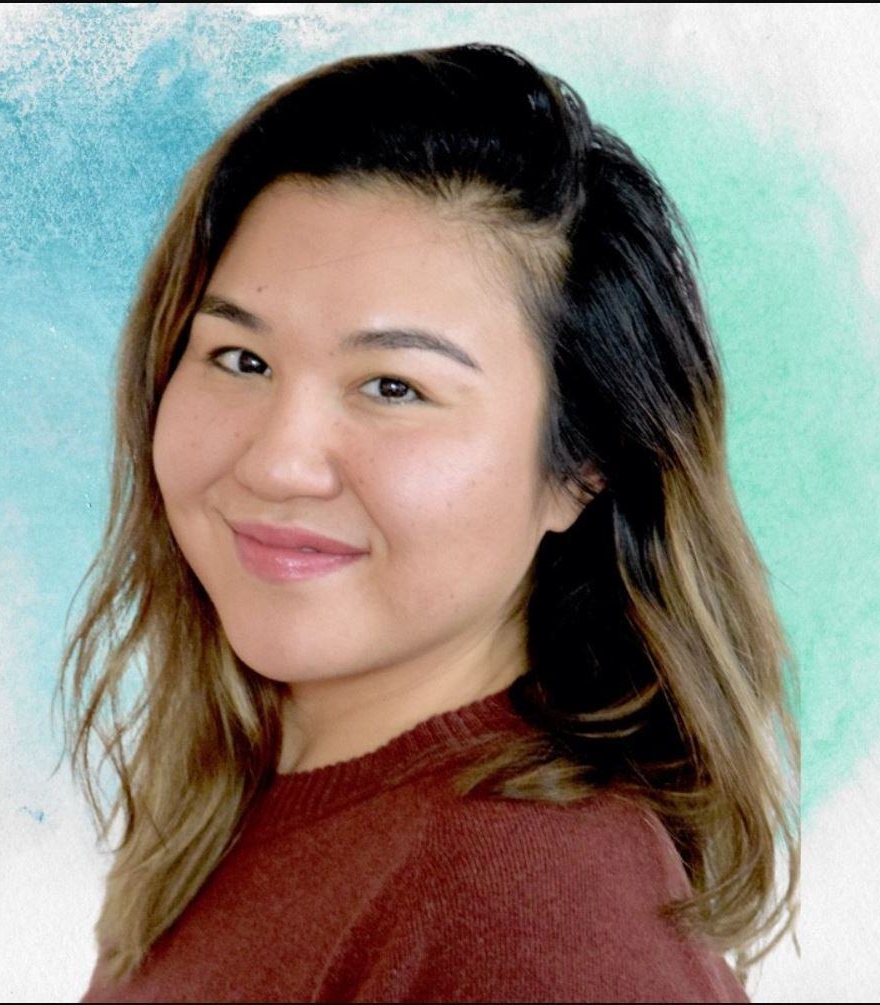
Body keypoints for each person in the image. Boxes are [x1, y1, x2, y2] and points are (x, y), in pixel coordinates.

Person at [57, 42, 799, 1003]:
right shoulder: (242, 803)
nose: (277, 461)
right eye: (241, 359)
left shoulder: (536, 915)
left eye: (393, 386)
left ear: (582, 465)